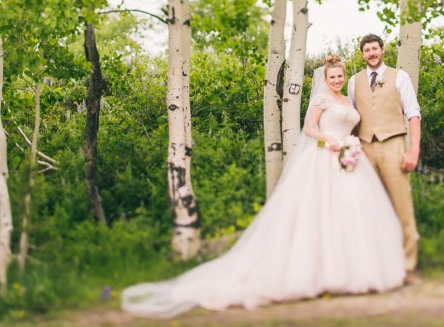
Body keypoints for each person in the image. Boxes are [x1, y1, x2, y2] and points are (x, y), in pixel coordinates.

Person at [122, 54, 405, 319]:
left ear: (344, 76)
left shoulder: (347, 101)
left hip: (351, 160)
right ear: (325, 78)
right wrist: (329, 141)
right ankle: (316, 273)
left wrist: (350, 144)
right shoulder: (321, 99)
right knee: (320, 215)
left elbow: (353, 126)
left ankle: (353, 271)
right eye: (332, 77)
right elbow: (309, 130)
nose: (336, 80)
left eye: (339, 76)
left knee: (352, 216)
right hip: (323, 158)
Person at [347, 34, 421, 278]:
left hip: (394, 145)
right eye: (367, 50)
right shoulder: (353, 81)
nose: (371, 53)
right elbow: (351, 117)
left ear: (382, 50)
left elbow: (413, 114)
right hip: (366, 149)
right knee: (370, 208)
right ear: (362, 54)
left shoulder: (400, 77)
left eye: (375, 49)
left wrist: (414, 150)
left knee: (401, 206)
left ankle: (408, 265)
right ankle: (378, 263)